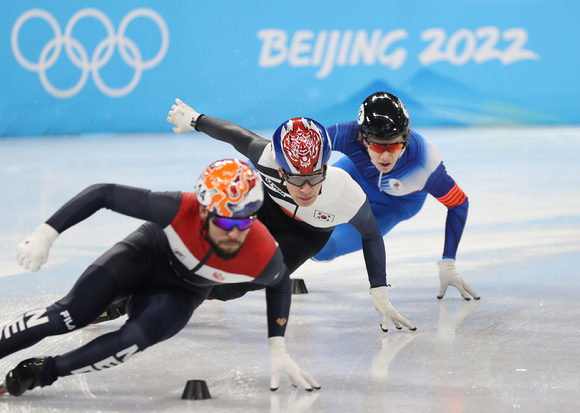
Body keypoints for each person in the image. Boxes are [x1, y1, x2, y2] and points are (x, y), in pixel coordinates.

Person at [0, 159, 319, 397]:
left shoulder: (261, 248)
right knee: (69, 315)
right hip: (144, 256)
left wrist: (278, 346)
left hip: (180, 292)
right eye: (226, 223)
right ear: (205, 212)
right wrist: (45, 234)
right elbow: (103, 193)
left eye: (244, 223)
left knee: (135, 338)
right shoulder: (179, 208)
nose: (235, 234)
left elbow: (279, 282)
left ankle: (43, 372)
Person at [166, 98, 416, 333]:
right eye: (296, 179)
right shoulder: (266, 158)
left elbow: (371, 235)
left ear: (326, 167)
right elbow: (234, 134)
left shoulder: (346, 194)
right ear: (281, 171)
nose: (306, 189)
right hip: (269, 206)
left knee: (248, 278)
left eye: (315, 177)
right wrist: (194, 119)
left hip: (306, 234)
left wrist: (379, 291)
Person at [313, 92, 479, 301]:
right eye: (376, 146)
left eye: (392, 146)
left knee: (324, 249)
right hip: (357, 175)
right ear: (362, 139)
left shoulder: (424, 165)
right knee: (298, 197)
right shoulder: (347, 135)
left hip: (394, 205)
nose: (384, 156)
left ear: (405, 138)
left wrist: (448, 262)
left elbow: (459, 204)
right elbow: (293, 149)